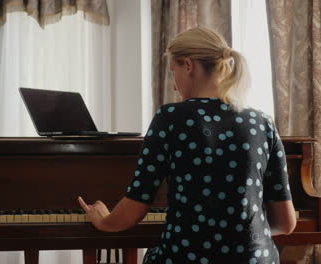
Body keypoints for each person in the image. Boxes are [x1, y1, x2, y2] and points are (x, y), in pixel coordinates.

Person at [78, 27, 296, 264]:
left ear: (189, 66)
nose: (174, 85)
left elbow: (134, 209)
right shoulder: (262, 122)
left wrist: (102, 220)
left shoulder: (171, 117)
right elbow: (286, 223)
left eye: (174, 72)